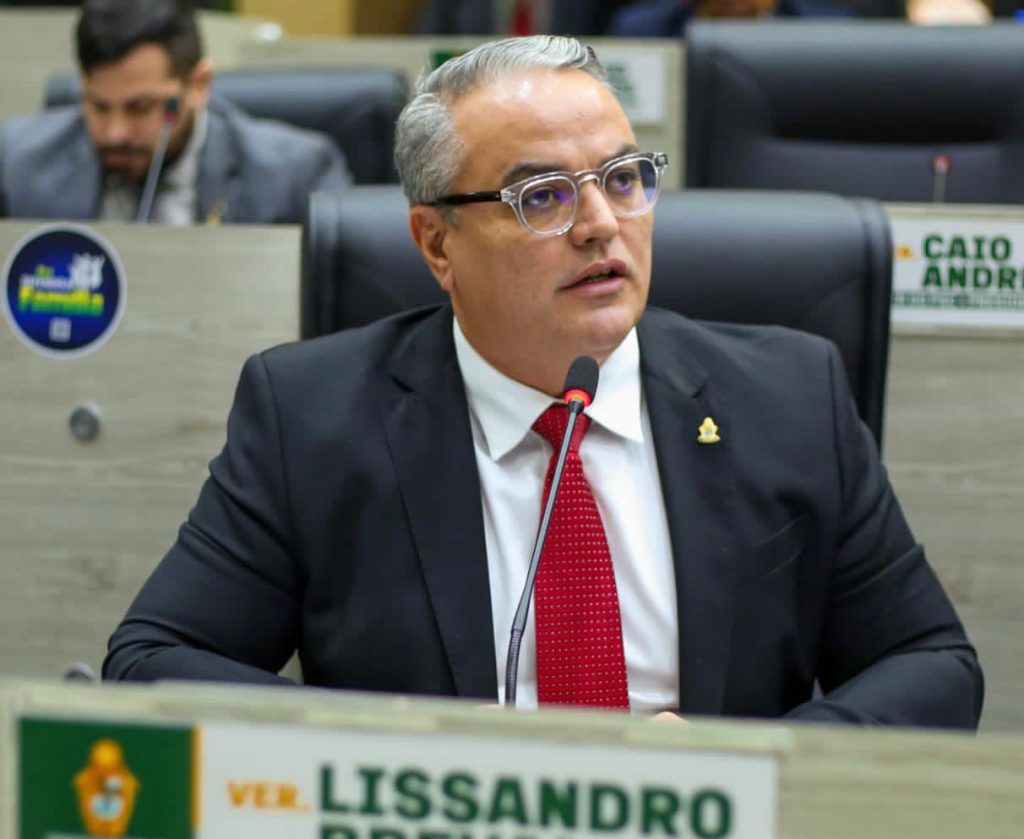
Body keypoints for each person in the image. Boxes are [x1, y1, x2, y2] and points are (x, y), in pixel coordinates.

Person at [104, 36, 982, 728]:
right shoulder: (311, 418)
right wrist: (405, 749)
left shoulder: (788, 396)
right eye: (544, 198)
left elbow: (932, 666)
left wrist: (745, 766)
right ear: (437, 243)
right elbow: (152, 661)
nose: (601, 223)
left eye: (623, 180)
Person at [0, 0, 351, 224]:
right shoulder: (16, 163)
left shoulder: (295, 177)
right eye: (98, 106)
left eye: (140, 108)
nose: (115, 133)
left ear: (198, 85)